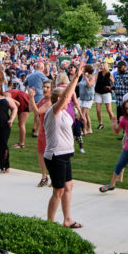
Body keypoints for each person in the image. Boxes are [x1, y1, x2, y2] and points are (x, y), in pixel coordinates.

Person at [43, 65, 83, 228]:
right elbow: (66, 95)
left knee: (68, 186)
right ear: (58, 100)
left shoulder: (65, 113)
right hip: (55, 156)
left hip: (65, 154)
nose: (68, 101)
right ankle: (50, 224)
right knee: (58, 190)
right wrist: (76, 77)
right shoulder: (54, 111)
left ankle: (67, 219)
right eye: (65, 99)